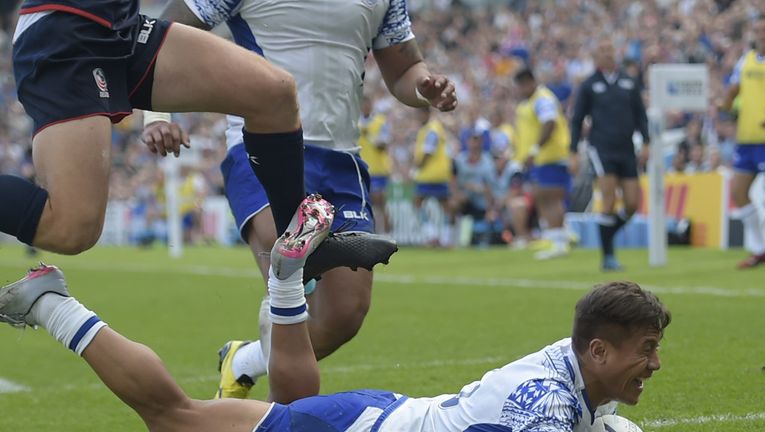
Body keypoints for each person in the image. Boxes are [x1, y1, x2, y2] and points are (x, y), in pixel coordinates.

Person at [0, 222, 671, 430]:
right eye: (646, 350)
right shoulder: (548, 409)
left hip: (381, 416)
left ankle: (289, 286)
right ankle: (52, 303)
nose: (656, 364)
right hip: (360, 428)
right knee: (173, 416)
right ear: (599, 349)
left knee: (288, 407)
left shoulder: (575, 374)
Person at [143, 0, 457, 399]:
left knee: (344, 314)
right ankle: (283, 421)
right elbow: (163, 33)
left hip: (342, 158)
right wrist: (156, 116)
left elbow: (404, 69)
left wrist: (425, 86)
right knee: (291, 260)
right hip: (262, 142)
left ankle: (244, 362)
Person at [2, 0, 308, 260]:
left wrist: (156, 116)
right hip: (65, 30)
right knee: (71, 230)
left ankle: (297, 243)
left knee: (274, 93)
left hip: (121, 26)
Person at [569, 39, 649, 271]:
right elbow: (576, 120)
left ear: (616, 53)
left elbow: (640, 115)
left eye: (609, 50)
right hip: (601, 148)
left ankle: (609, 232)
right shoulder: (589, 85)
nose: (606, 54)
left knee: (633, 203)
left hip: (626, 148)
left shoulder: (628, 82)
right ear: (595, 56)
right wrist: (573, 151)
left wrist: (646, 142)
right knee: (609, 199)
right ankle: (608, 256)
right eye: (601, 51)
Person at [721, 14, 765, 269]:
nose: (762, 35)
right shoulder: (746, 60)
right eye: (759, 31)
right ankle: (761, 249)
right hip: (747, 138)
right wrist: (725, 105)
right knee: (739, 193)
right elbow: (733, 88)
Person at [513, 68, 572, 260]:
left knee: (551, 197)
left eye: (521, 86)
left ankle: (560, 242)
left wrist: (535, 149)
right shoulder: (531, 102)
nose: (520, 90)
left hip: (551, 156)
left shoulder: (542, 98)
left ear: (529, 82)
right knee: (542, 197)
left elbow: (550, 122)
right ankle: (555, 239)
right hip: (542, 159)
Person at [413, 107, 454, 247]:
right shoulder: (431, 128)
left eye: (420, 113)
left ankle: (432, 235)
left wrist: (417, 165)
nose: (418, 116)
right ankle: (446, 237)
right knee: (445, 205)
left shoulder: (432, 129)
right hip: (439, 173)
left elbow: (428, 151)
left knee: (418, 201)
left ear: (426, 113)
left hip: (430, 174)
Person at [359, 95, 393, 234]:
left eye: (368, 104)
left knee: (379, 202)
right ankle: (371, 233)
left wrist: (370, 137)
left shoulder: (380, 122)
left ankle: (388, 233)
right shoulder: (356, 123)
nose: (366, 107)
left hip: (378, 168)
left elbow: (384, 144)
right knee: (366, 204)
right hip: (362, 168)